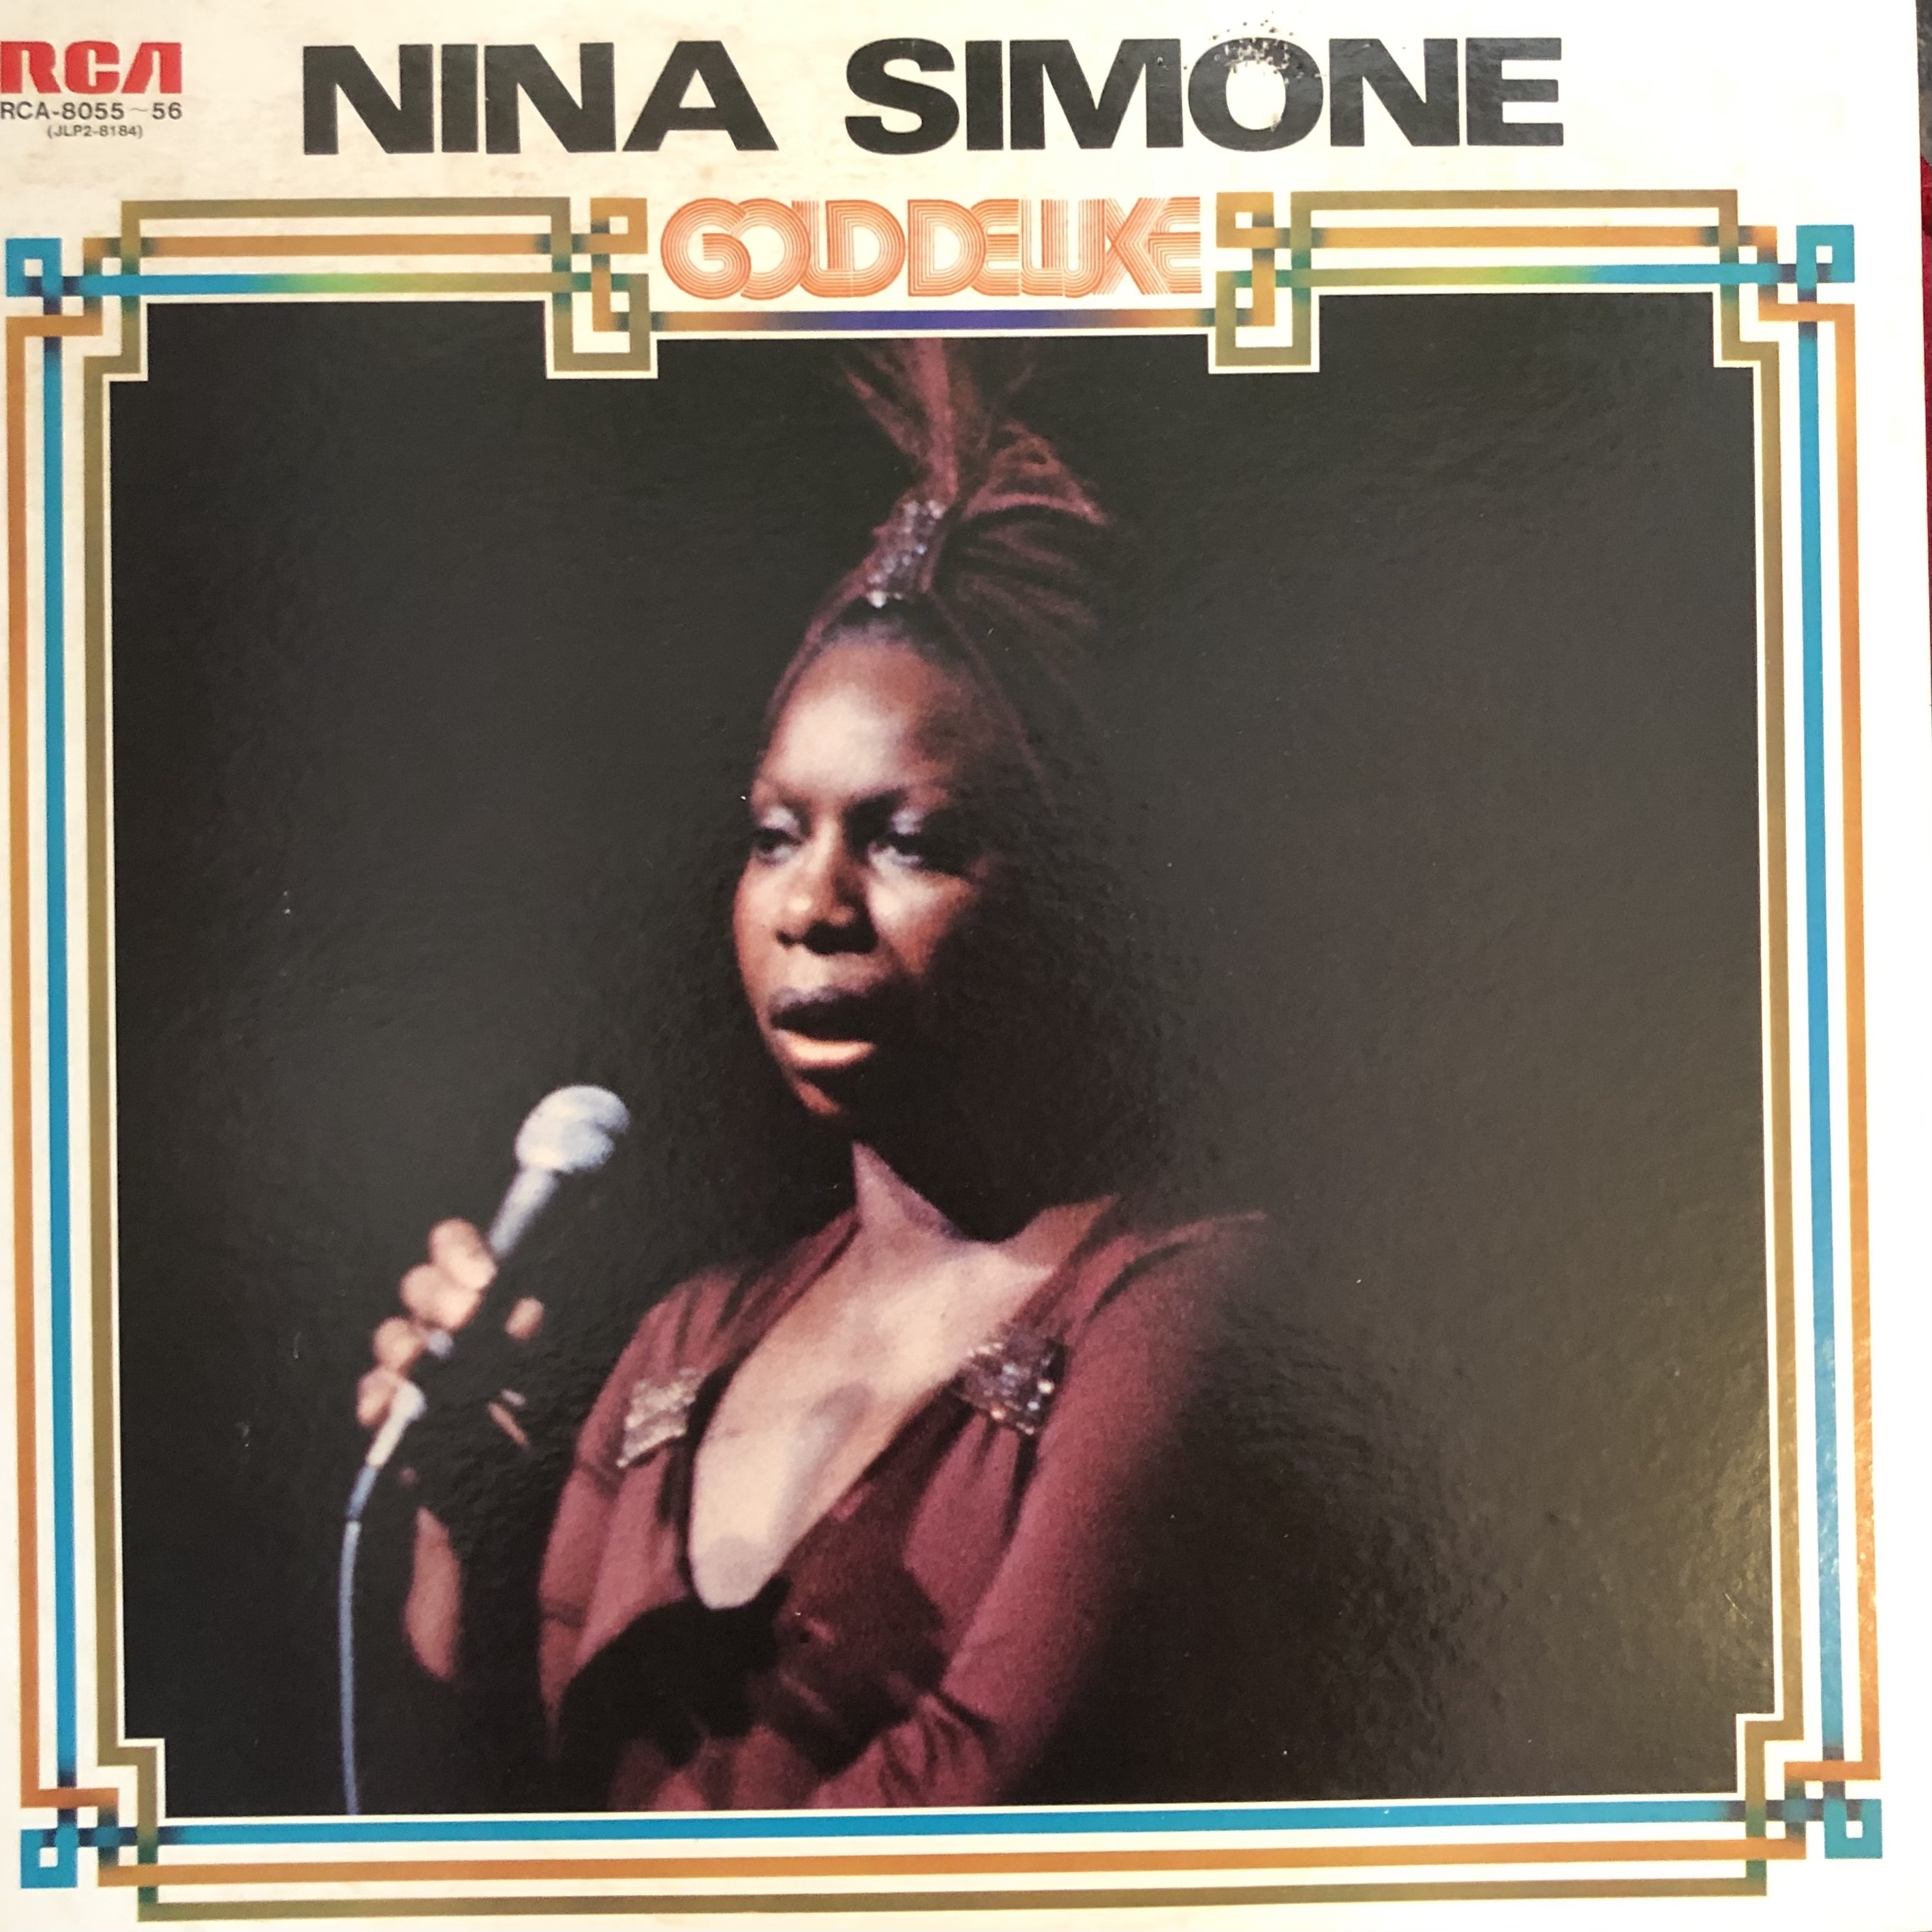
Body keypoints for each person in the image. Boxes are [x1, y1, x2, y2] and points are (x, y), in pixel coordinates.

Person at [350, 344, 1417, 1811]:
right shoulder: (681, 1341)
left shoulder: (1165, 1313)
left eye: (903, 839)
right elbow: (514, 1814)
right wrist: (456, 1525)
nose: (812, 903)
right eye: (774, 834)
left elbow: (968, 1796)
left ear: (1064, 888)